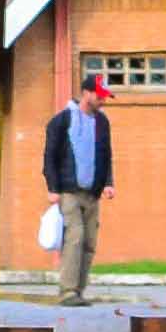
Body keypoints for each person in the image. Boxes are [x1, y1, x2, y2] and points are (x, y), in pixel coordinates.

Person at [39, 66, 121, 308]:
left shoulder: (102, 123)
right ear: (86, 93)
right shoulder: (62, 121)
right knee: (74, 238)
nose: (102, 100)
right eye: (99, 95)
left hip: (92, 193)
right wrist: (52, 188)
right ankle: (67, 291)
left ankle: (79, 291)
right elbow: (49, 157)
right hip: (68, 192)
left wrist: (108, 182)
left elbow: (106, 155)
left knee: (89, 242)